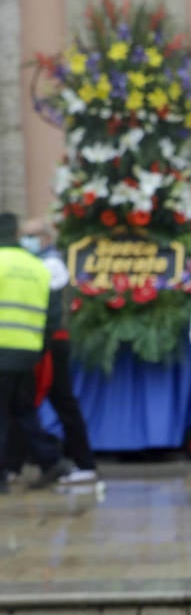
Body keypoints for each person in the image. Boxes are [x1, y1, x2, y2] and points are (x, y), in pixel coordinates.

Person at [18, 219, 97, 484]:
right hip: (38, 341)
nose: (26, 241)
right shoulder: (36, 264)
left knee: (62, 400)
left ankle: (82, 462)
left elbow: (52, 311)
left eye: (32, 236)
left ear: (46, 238)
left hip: (52, 343)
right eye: (24, 236)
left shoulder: (51, 265)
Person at [0, 211, 72, 493]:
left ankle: (4, 472)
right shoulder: (37, 266)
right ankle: (52, 460)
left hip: (2, 351)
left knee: (5, 415)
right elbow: (53, 316)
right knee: (24, 412)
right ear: (17, 234)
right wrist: (39, 348)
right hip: (28, 354)